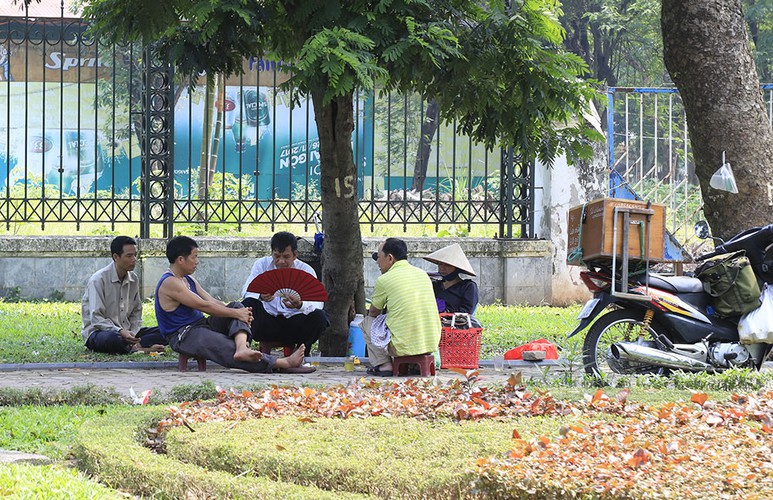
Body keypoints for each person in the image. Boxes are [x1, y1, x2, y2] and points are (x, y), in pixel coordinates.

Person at [155, 236, 312, 373]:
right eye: (194, 257)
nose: (197, 261)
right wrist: (235, 315)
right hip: (184, 334)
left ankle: (242, 348)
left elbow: (212, 301)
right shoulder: (170, 282)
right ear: (181, 260)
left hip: (200, 325)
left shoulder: (188, 279)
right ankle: (281, 363)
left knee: (237, 305)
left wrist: (238, 312)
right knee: (222, 343)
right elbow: (204, 306)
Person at [241, 231, 329, 357]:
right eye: (277, 256)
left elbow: (317, 303)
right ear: (272, 253)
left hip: (294, 325)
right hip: (267, 323)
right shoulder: (262, 265)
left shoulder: (306, 270)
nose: (281, 261)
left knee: (319, 317)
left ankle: (302, 353)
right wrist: (260, 296)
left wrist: (300, 305)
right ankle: (244, 350)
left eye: (286, 257)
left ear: (295, 255)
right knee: (247, 305)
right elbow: (246, 291)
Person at [363, 238, 442, 376]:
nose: (377, 262)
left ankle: (384, 365)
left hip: (401, 345)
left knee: (367, 322)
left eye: (379, 257)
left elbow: (374, 312)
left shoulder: (385, 279)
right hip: (431, 342)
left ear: (390, 258)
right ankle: (414, 365)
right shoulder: (423, 274)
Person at [81, 236, 166, 355]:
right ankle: (141, 349)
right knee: (113, 339)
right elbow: (96, 319)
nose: (134, 259)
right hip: (101, 333)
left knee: (166, 331)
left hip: (127, 332)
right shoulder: (98, 280)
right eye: (129, 256)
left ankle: (133, 345)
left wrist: (132, 334)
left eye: (135, 255)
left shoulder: (133, 279)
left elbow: (136, 313)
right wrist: (120, 331)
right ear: (116, 257)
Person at [423, 243, 482, 328]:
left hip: (456, 326)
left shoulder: (468, 287)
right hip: (433, 325)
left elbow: (467, 312)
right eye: (440, 264)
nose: (442, 268)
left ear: (456, 268)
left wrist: (447, 312)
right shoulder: (435, 285)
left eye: (447, 265)